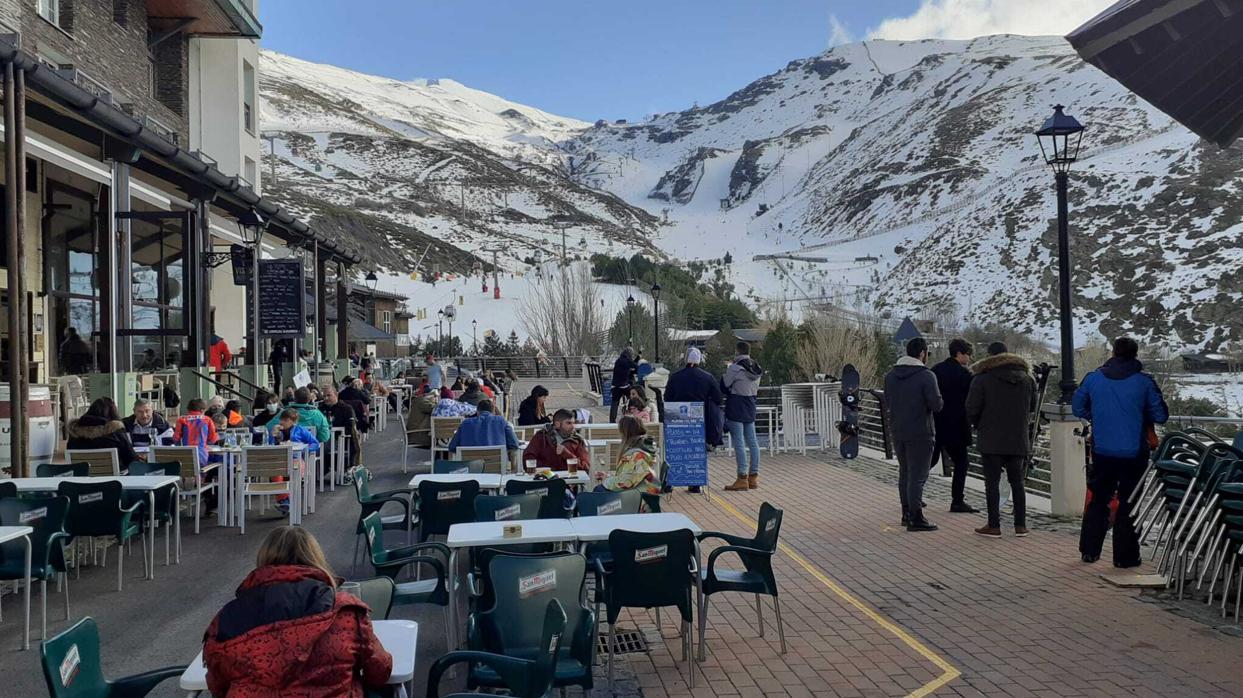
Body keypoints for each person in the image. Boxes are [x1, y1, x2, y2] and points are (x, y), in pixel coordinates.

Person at [202, 526, 392, 696]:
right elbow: (379, 671)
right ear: (315, 559)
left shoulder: (225, 621)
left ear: (263, 561)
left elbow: (218, 686)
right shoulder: (346, 612)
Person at [1073, 336, 1169, 567]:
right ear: (1135, 354)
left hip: (1102, 450)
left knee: (1098, 498)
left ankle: (1089, 550)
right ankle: (1125, 557)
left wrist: (1097, 417)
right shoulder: (1144, 382)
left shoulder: (1094, 378)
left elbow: (1077, 407)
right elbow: (1160, 415)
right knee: (1129, 502)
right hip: (1134, 452)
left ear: (1113, 353)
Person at [965, 343, 1037, 538]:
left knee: (992, 483)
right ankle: (1020, 525)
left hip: (991, 438)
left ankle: (994, 524)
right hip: (1018, 438)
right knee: (1017, 482)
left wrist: (979, 425)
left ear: (989, 357)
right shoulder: (1027, 380)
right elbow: (1032, 406)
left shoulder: (982, 378)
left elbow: (971, 408)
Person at [883, 337, 944, 532]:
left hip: (897, 429)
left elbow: (888, 401)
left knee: (905, 473)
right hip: (920, 431)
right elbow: (936, 405)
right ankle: (916, 518)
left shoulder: (891, 375)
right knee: (918, 475)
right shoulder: (926, 376)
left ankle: (906, 513)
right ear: (922, 353)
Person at [664, 347, 724, 491]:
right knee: (695, 452)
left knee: (676, 451)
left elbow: (667, 397)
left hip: (676, 418)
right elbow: (718, 398)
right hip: (699, 420)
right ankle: (695, 483)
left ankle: (671, 482)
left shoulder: (675, 377)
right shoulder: (707, 377)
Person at [931, 338, 978, 514]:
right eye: (968, 354)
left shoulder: (935, 371)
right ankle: (957, 501)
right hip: (957, 426)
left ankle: (914, 495)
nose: (969, 359)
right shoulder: (965, 375)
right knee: (961, 463)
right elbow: (971, 401)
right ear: (959, 354)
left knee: (929, 461)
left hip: (936, 423)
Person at [721, 341, 764, 491]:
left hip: (736, 405)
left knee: (739, 442)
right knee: (752, 442)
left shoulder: (734, 368)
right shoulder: (756, 368)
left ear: (737, 351)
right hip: (751, 404)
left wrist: (726, 373)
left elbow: (725, 385)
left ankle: (742, 478)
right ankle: (753, 477)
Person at [596, 415, 662, 496]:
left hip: (636, 498)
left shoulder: (635, 455)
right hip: (644, 492)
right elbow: (630, 476)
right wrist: (608, 477)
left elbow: (624, 483)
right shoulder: (644, 448)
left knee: (597, 491)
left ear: (625, 433)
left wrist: (606, 480)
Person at [66, 397, 139, 468]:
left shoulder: (74, 433)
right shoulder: (116, 431)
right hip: (113, 477)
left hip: (81, 477)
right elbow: (132, 460)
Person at [522, 408, 592, 472]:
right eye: (569, 423)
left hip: (571, 482)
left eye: (574, 423)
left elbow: (585, 468)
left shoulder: (577, 441)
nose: (573, 426)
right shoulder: (541, 436)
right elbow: (528, 459)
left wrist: (567, 454)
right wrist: (548, 469)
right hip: (545, 480)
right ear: (557, 424)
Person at [447, 400, 519, 454]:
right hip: (496, 467)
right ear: (493, 411)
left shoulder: (465, 423)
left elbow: (452, 447)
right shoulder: (501, 421)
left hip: (471, 468)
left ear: (477, 411)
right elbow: (514, 444)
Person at [319, 385, 360, 470]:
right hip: (323, 439)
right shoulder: (321, 408)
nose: (326, 398)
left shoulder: (346, 409)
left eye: (328, 395)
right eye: (324, 396)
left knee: (318, 448)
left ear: (336, 395)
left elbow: (350, 428)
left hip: (340, 440)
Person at [609, 347, 638, 421]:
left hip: (615, 386)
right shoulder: (627, 360)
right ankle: (632, 414)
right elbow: (635, 366)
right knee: (632, 398)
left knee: (614, 403)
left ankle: (612, 420)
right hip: (624, 385)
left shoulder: (618, 360)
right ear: (630, 354)